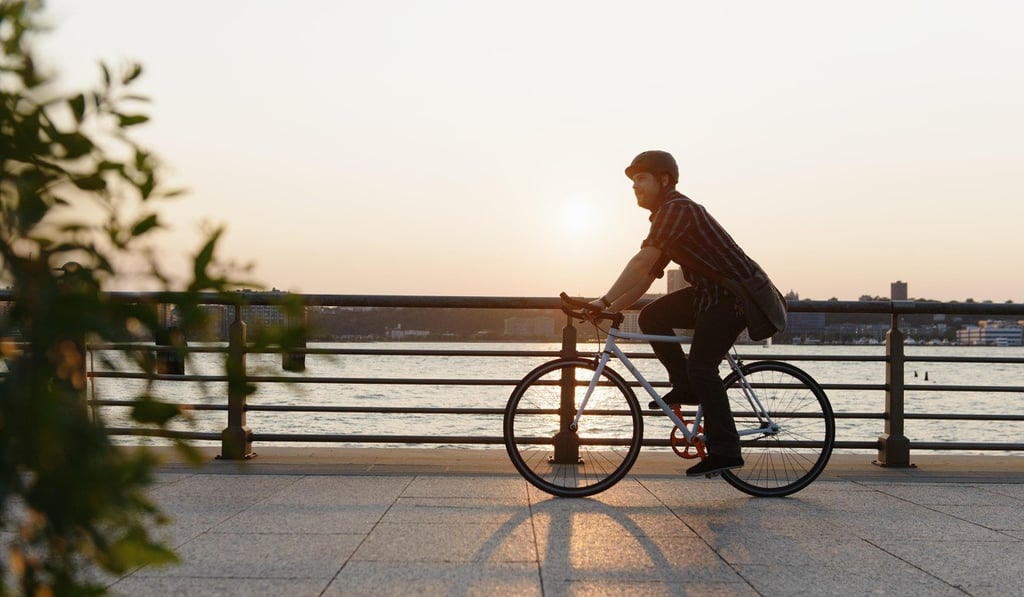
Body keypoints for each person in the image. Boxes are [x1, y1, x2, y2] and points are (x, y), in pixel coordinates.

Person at [589, 150, 763, 477]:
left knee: (702, 365)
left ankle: (725, 449)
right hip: (708, 297)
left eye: (641, 179)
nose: (634, 186)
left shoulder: (676, 209)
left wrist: (602, 301)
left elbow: (641, 261)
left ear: (664, 180)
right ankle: (686, 386)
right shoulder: (667, 216)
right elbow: (646, 275)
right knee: (651, 316)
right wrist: (612, 309)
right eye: (633, 181)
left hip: (732, 298)